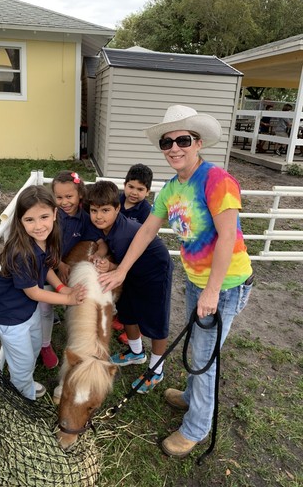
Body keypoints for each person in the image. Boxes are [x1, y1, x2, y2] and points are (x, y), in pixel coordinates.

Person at [98, 104, 253, 458]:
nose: (174, 148)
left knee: (204, 356)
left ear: (197, 142)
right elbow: (146, 231)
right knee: (198, 344)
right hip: (198, 281)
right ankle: (190, 397)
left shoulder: (217, 181)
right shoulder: (171, 188)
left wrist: (212, 291)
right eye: (167, 143)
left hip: (226, 284)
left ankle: (196, 428)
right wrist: (121, 270)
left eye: (182, 139)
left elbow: (228, 237)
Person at [0, 185, 86, 400]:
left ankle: (25, 382)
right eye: (29, 220)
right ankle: (24, 400)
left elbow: (48, 268)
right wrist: (68, 298)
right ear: (20, 222)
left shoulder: (46, 240)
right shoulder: (22, 252)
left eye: (44, 217)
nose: (38, 226)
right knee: (22, 363)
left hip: (28, 310)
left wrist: (62, 288)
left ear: (54, 213)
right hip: (11, 317)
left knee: (33, 349)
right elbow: (34, 292)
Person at [87, 180, 174, 394]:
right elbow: (107, 243)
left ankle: (156, 370)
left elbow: (127, 262)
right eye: (94, 210)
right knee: (126, 311)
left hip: (155, 271)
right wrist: (103, 255)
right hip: (131, 272)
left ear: (118, 208)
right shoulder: (109, 227)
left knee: (156, 321)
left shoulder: (125, 233)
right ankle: (136, 352)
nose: (99, 216)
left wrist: (112, 266)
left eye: (105, 210)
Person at [37, 171, 107, 368]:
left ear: (80, 195)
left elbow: (101, 242)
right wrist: (59, 264)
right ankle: (44, 345)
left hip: (65, 267)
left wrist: (99, 253)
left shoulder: (85, 219)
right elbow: (41, 245)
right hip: (43, 266)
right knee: (44, 305)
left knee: (76, 298)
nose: (64, 202)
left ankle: (76, 337)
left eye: (69, 197)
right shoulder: (50, 215)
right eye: (59, 197)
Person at [115, 163, 153, 344]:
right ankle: (121, 318)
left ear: (148, 191)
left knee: (134, 292)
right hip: (115, 252)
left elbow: (146, 236)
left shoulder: (146, 211)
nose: (134, 192)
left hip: (135, 258)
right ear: (124, 185)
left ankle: (135, 325)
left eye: (140, 189)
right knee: (119, 289)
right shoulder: (115, 201)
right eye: (131, 186)